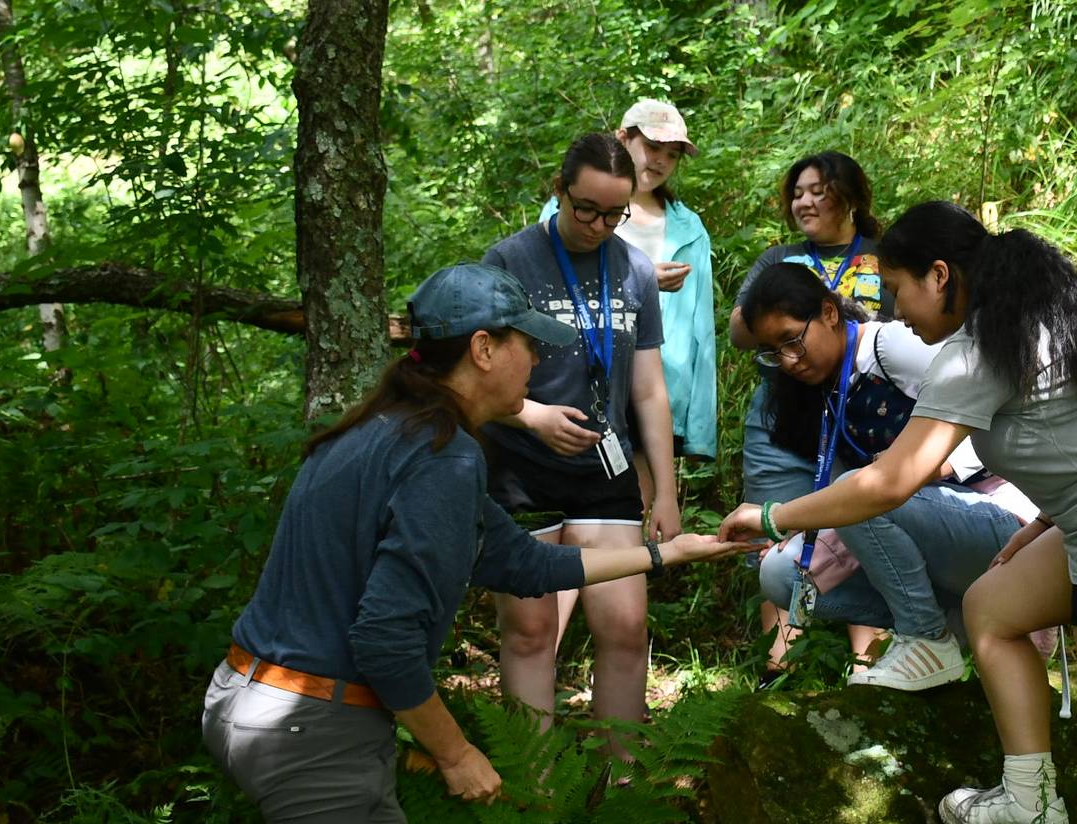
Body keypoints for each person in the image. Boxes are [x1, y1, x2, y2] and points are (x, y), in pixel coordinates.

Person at [719, 202, 1077, 824]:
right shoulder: (1034, 313)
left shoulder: (978, 349)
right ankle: (1028, 801)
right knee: (991, 608)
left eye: (897, 291)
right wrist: (1047, 521)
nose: (896, 312)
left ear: (939, 276)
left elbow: (888, 483)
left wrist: (775, 517)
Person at [201, 264, 748, 822]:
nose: (538, 360)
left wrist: (665, 554)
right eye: (529, 344)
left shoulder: (387, 429)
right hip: (314, 728)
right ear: (484, 348)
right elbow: (386, 639)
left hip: (245, 699)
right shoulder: (442, 457)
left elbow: (521, 562)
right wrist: (455, 753)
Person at [742, 261, 1040, 691]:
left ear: (829, 313)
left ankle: (926, 637)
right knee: (781, 573)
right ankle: (947, 625)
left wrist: (932, 466)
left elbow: (1008, 416)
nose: (787, 361)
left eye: (792, 340)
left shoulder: (893, 347)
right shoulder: (823, 387)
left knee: (863, 491)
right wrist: (804, 528)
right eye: (773, 351)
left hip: (1004, 521)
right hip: (922, 524)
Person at [481, 132, 677, 736]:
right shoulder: (509, 261)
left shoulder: (635, 270)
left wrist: (665, 489)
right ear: (559, 191)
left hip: (603, 471)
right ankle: (535, 786)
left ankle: (621, 783)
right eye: (585, 208)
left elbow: (647, 388)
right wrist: (531, 415)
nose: (597, 225)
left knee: (623, 625)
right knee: (532, 630)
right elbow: (473, 373)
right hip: (518, 467)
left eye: (614, 213)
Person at [728, 151, 893, 680]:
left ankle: (873, 674)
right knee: (775, 537)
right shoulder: (780, 260)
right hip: (783, 417)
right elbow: (737, 333)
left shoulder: (883, 256)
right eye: (797, 192)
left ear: (850, 196)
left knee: (865, 528)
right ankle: (781, 679)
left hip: (864, 414)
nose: (805, 201)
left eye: (818, 190)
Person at [541, 99, 717, 464]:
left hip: (657, 390)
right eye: (652, 147)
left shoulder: (689, 228)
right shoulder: (567, 210)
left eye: (672, 154)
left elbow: (702, 331)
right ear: (623, 138)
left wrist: (701, 430)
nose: (660, 161)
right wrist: (639, 280)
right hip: (575, 383)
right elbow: (547, 290)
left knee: (637, 509)